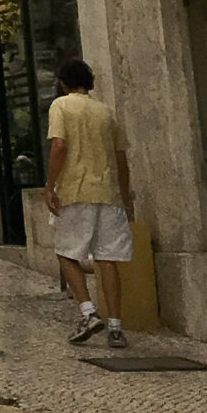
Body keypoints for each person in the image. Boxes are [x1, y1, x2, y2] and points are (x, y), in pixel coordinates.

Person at [45, 56, 134, 348]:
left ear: (63, 83)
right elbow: (121, 158)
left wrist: (49, 185)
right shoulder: (107, 113)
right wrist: (125, 196)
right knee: (107, 259)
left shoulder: (61, 106)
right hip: (108, 195)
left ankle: (88, 312)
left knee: (65, 253)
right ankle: (116, 327)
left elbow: (59, 145)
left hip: (75, 191)